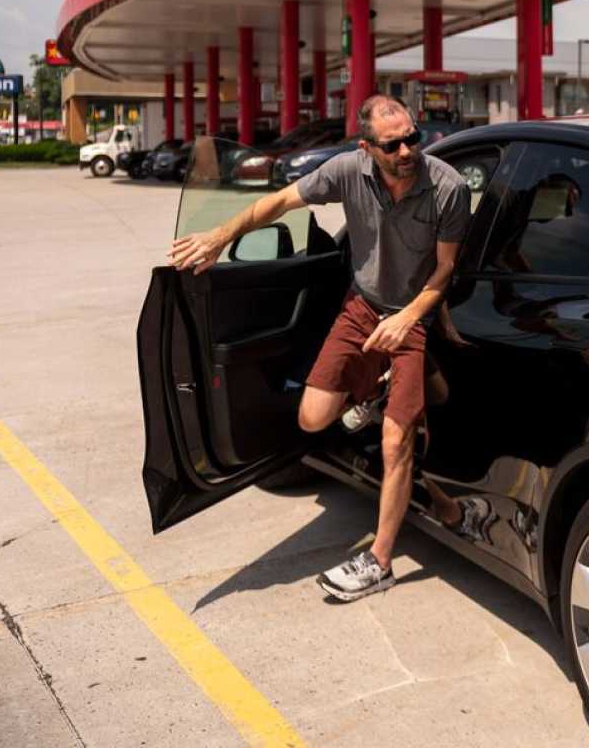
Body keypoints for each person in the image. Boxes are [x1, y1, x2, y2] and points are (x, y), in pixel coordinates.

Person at [168, 94, 471, 602]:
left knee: (397, 444)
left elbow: (443, 273)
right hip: (362, 306)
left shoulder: (448, 187)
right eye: (393, 144)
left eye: (412, 138)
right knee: (312, 417)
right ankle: (383, 397)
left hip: (415, 314)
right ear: (367, 147)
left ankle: (380, 560)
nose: (407, 151)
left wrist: (405, 321)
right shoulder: (346, 171)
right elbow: (277, 203)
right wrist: (220, 237)